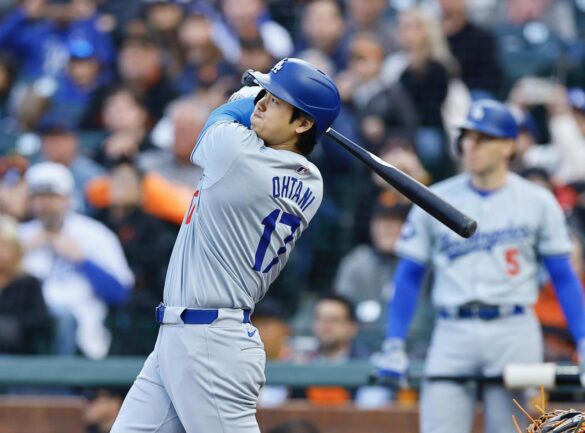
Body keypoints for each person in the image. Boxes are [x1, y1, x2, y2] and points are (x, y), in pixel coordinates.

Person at [110, 57, 341, 433]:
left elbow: (221, 117)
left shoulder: (238, 154)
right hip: (188, 336)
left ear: (303, 123)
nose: (262, 103)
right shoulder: (310, 181)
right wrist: (272, 100)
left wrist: (245, 94)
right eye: (264, 96)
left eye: (276, 101)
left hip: (211, 343)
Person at [372, 99, 585, 433]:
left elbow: (563, 276)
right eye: (467, 137)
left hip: (513, 328)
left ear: (509, 145)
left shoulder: (538, 201)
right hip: (453, 329)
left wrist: (583, 337)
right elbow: (409, 275)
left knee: (514, 429)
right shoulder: (434, 198)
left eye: (484, 138)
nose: (471, 145)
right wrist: (394, 341)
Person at [20, 161, 134, 359]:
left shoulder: (95, 234)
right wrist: (16, 257)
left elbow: (121, 294)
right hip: (25, 329)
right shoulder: (19, 236)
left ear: (67, 199)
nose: (44, 204)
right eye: (38, 197)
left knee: (63, 316)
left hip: (83, 331)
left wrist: (83, 261)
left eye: (51, 196)